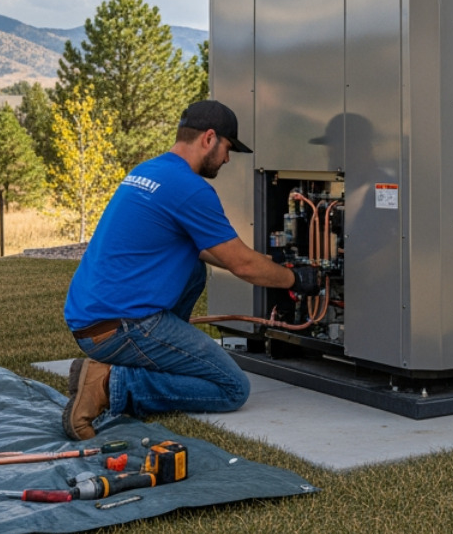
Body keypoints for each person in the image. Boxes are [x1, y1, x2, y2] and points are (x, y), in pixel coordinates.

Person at [59, 99, 321, 439]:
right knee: (232, 388)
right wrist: (297, 279)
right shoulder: (190, 189)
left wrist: (266, 265)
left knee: (194, 268)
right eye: (228, 148)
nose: (227, 159)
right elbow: (240, 263)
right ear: (209, 139)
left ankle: (136, 363)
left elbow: (217, 253)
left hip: (91, 319)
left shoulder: (149, 171)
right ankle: (108, 382)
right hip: (121, 327)